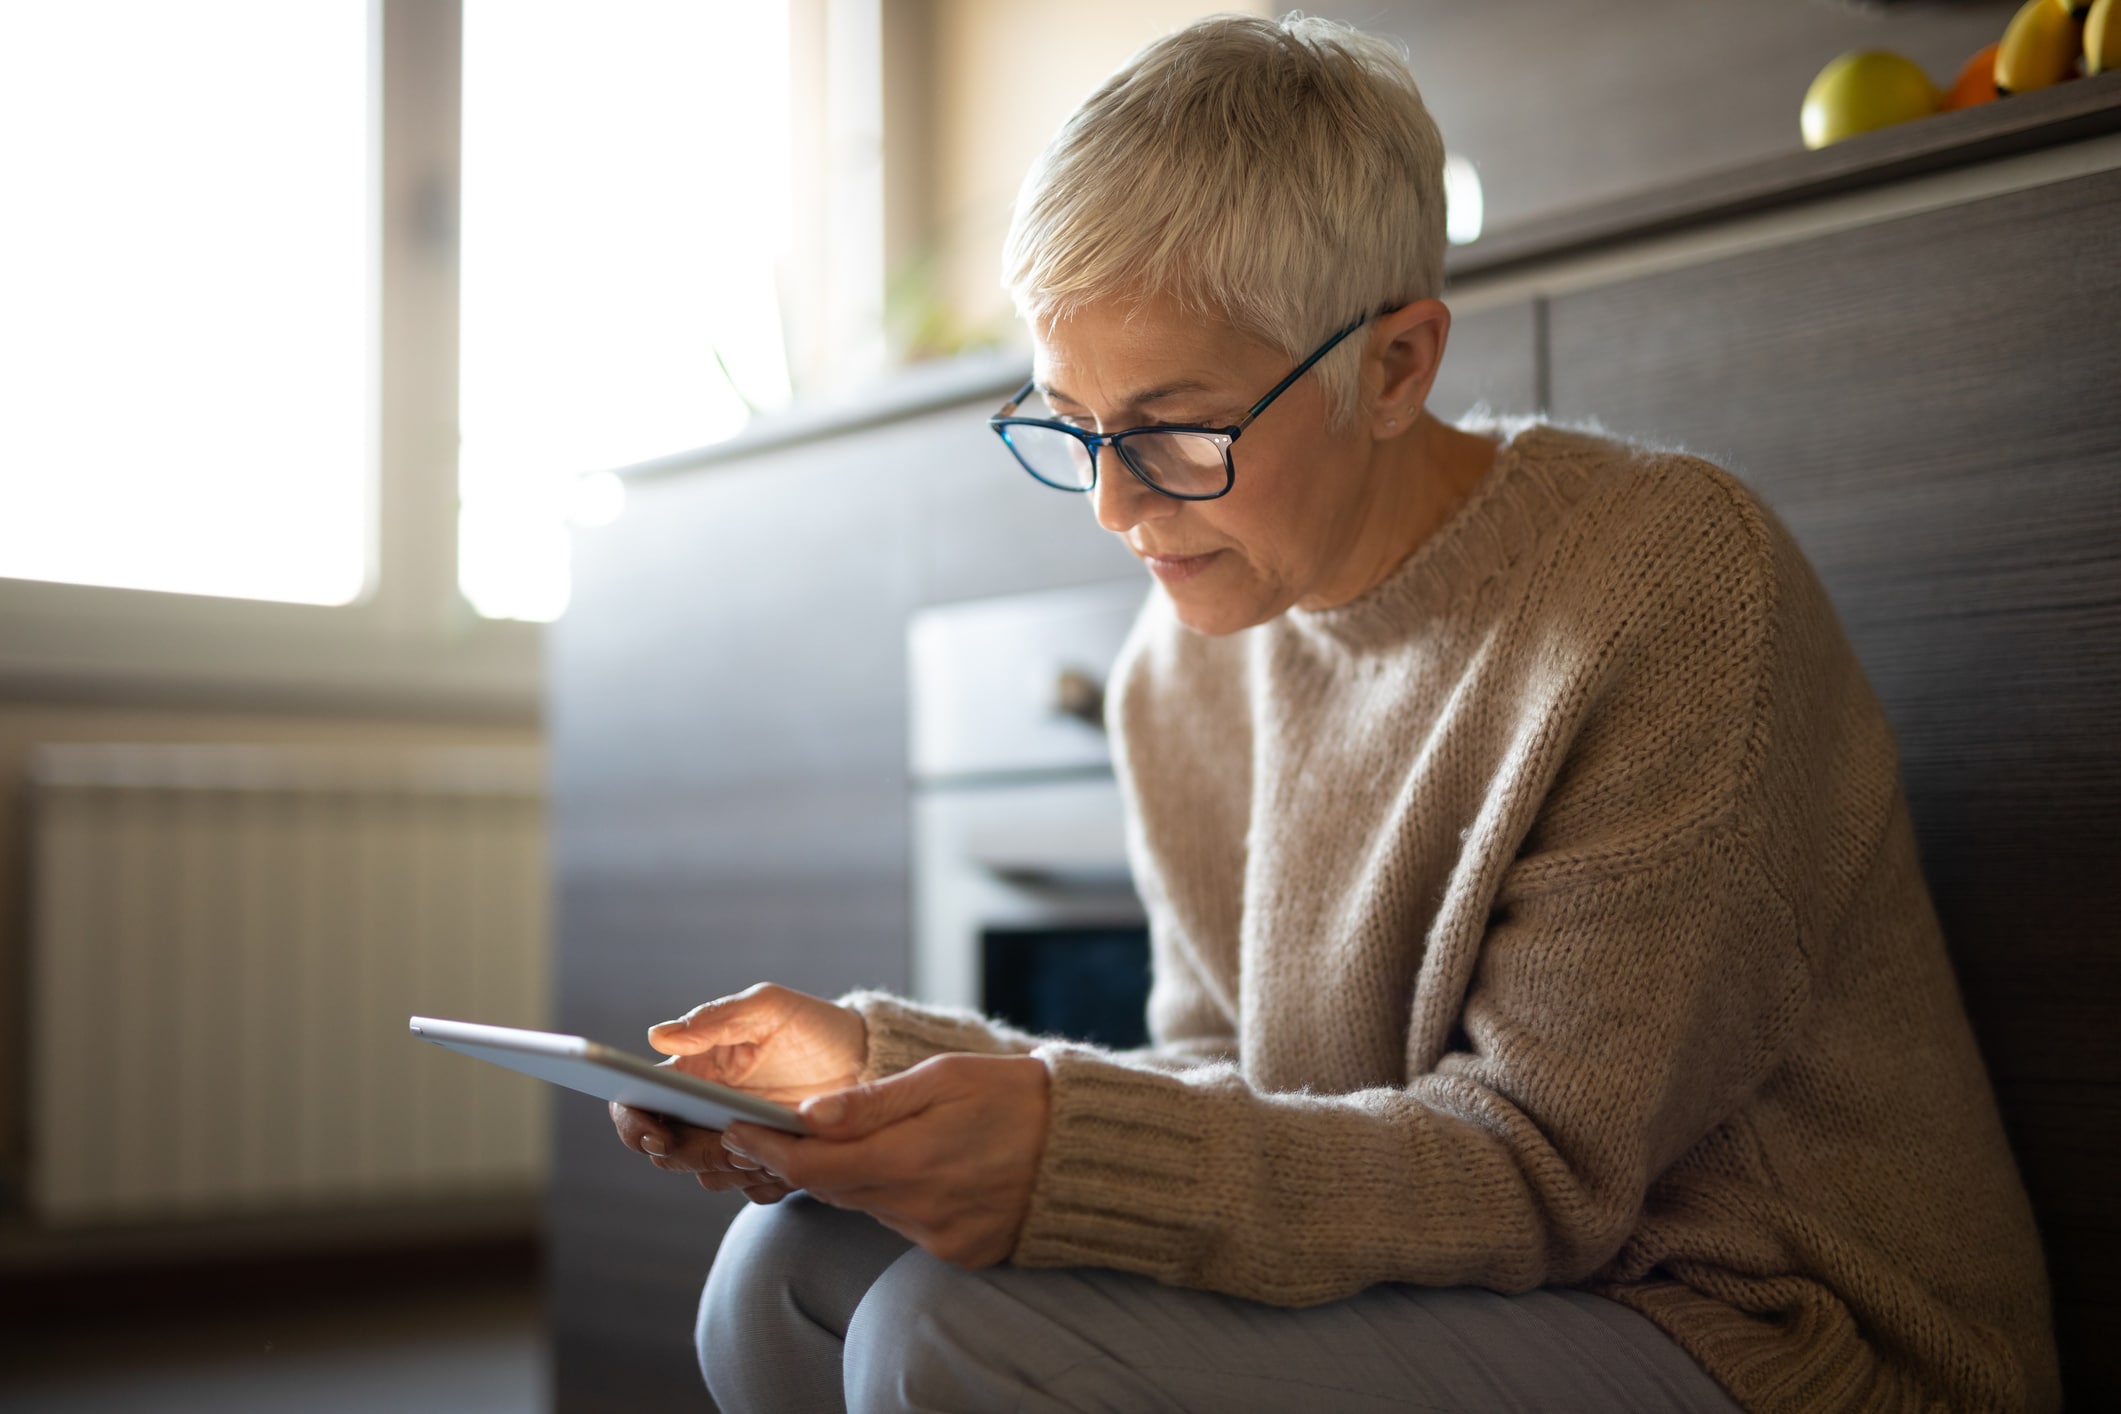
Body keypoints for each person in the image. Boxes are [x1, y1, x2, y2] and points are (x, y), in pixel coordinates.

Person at [609, 14, 2060, 1413]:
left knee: (951, 1338)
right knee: (784, 1273)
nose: (1113, 505)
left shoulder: (1666, 587)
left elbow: (1539, 1169)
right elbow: (1230, 1085)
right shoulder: (1181, 663)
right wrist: (876, 1074)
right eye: (1070, 421)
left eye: (1174, 428)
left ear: (1394, 366)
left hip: (1749, 1325)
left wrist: (1054, 1147)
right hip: (1473, 1278)